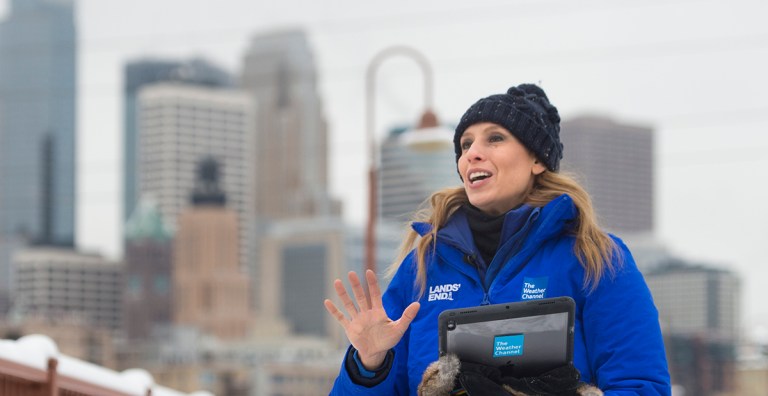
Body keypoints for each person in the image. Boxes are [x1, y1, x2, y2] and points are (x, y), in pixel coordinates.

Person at [324, 84, 671, 395]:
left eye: (495, 138)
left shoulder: (596, 258)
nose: (472, 152)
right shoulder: (423, 267)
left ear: (537, 159)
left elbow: (641, 386)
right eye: (465, 144)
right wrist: (368, 364)